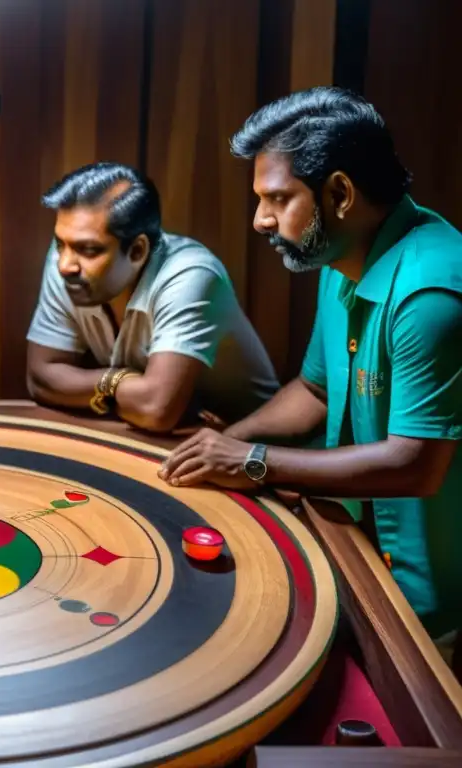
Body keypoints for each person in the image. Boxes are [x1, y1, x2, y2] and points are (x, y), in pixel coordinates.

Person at [158, 87, 462, 658]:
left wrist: (251, 463)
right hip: (351, 545)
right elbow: (316, 390)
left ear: (340, 193)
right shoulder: (343, 253)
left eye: (277, 198)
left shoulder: (430, 292)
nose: (259, 220)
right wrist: (228, 440)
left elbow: (415, 465)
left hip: (434, 601)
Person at [26, 162, 279, 432]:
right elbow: (41, 379)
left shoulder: (190, 274)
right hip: (174, 435)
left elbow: (156, 410)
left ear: (137, 251)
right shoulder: (68, 266)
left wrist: (86, 391)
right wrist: (118, 382)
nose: (65, 264)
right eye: (59, 243)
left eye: (88, 249)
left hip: (249, 443)